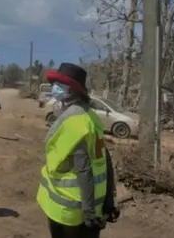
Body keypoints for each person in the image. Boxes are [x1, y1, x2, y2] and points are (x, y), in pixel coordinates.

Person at [36, 62, 120, 238]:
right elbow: (105, 159)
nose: (55, 88)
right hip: (92, 207)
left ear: (73, 90)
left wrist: (88, 212)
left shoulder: (73, 122)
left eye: (60, 85)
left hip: (69, 210)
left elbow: (84, 169)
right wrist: (108, 202)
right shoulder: (91, 117)